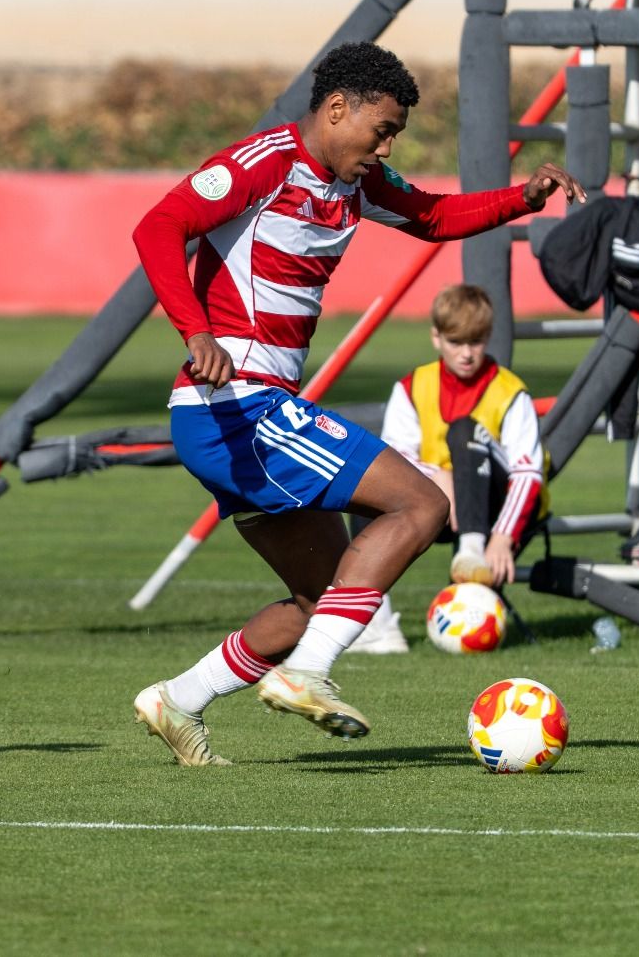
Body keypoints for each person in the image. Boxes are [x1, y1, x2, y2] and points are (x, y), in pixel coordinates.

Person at [129, 42, 581, 766]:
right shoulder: (264, 161)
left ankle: (178, 699)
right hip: (237, 405)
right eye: (383, 128)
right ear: (338, 108)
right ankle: (307, 674)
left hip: (247, 411)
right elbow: (157, 227)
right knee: (422, 506)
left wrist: (518, 200)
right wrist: (195, 330)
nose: (388, 145)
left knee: (322, 599)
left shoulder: (355, 181)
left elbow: (432, 217)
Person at [380, 284, 547, 590]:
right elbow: (393, 456)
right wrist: (437, 475)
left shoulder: (511, 392)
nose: (467, 354)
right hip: (439, 501)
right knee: (369, 487)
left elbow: (527, 473)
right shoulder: (411, 387)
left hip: (498, 506)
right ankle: (376, 621)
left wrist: (502, 537)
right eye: (456, 342)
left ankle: (472, 552)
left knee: (464, 430)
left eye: (476, 342)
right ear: (436, 337)